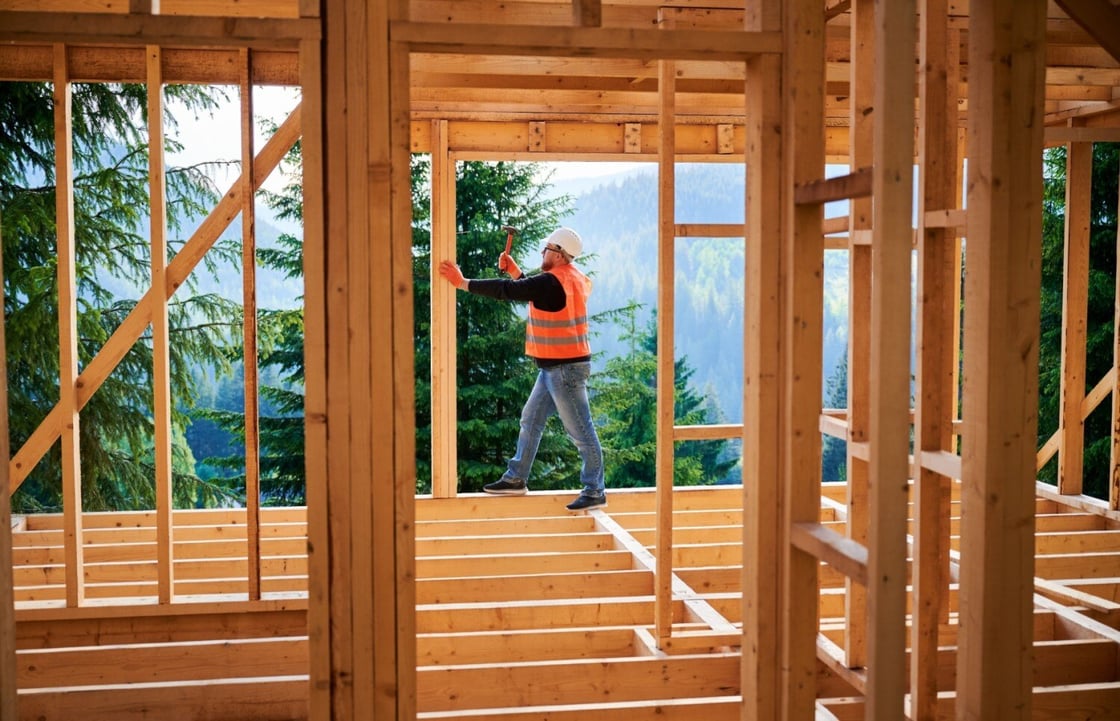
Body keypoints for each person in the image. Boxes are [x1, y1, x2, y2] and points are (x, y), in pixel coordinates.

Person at [437, 227, 606, 511]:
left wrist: (462, 283)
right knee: (531, 420)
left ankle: (595, 489)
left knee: (581, 431)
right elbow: (537, 293)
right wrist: (516, 272)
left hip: (564, 370)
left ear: (559, 254)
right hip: (557, 367)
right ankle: (516, 478)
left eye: (547, 249)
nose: (542, 252)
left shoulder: (551, 281)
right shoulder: (570, 278)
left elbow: (510, 291)